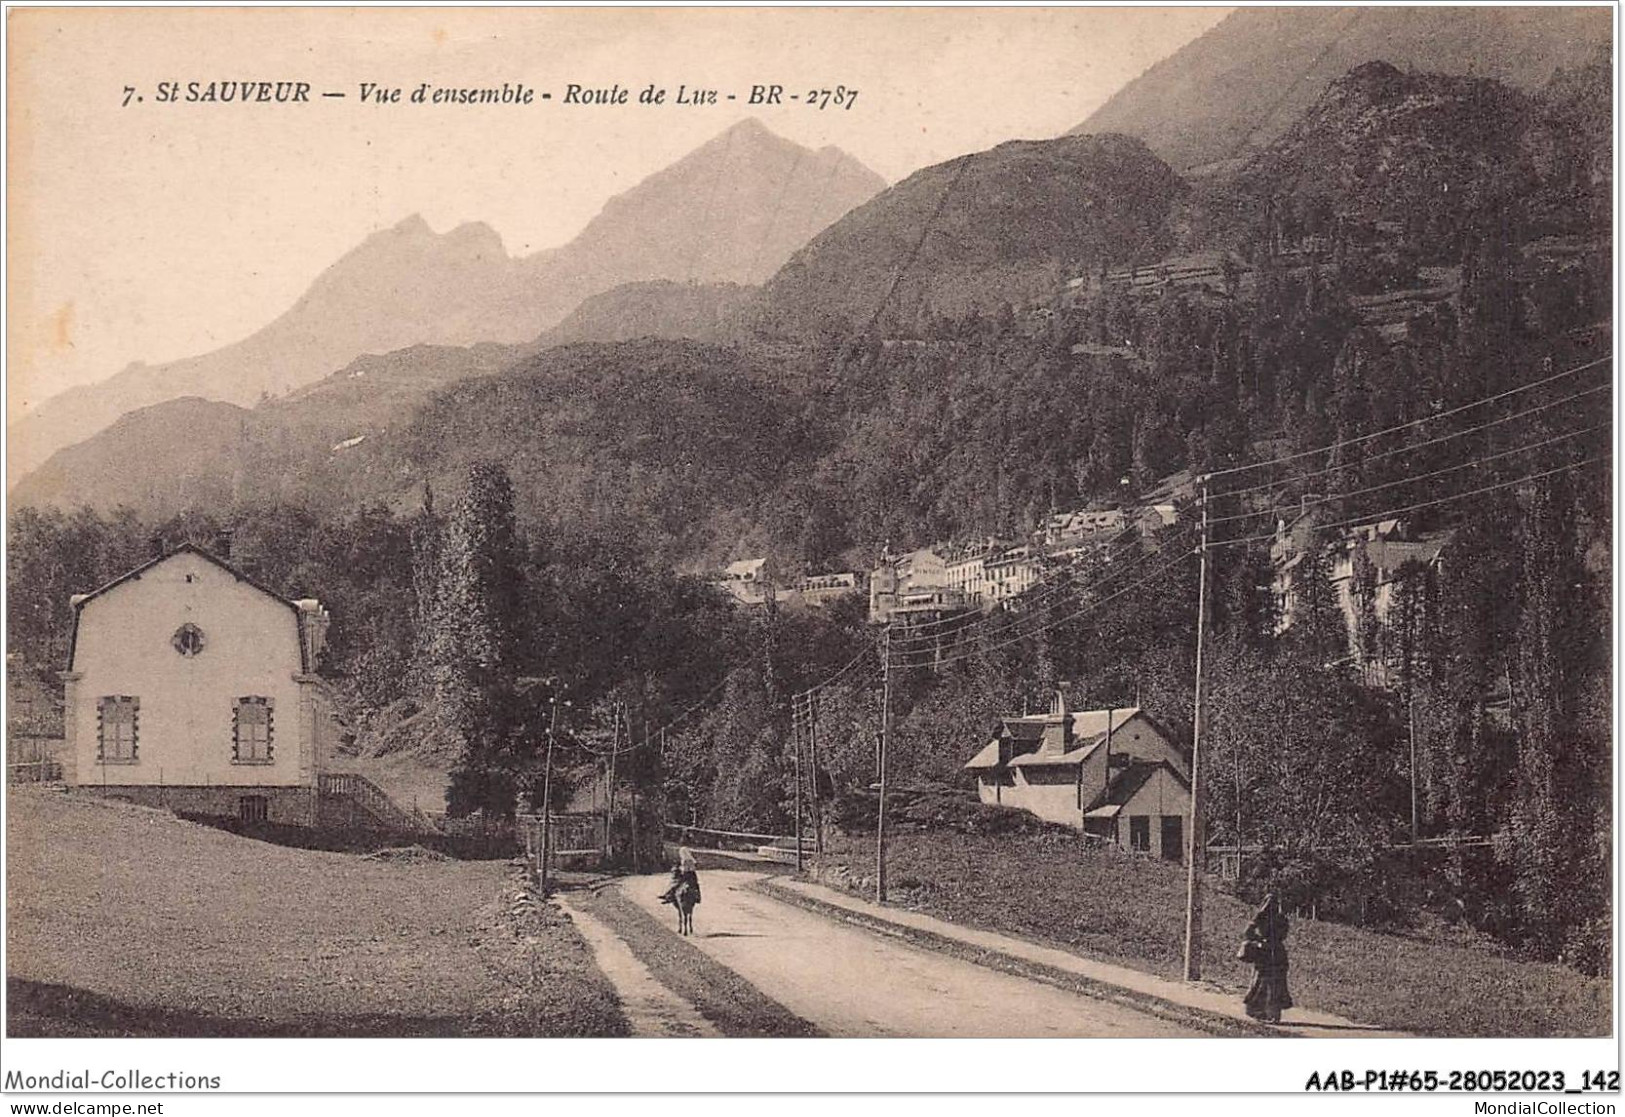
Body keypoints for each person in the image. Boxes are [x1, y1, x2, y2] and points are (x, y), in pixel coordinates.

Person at [1239, 892, 1293, 1023]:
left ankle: (1267, 1013)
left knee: (1266, 983)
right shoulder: (1280, 918)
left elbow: (1247, 932)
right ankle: (1268, 1013)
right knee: (1270, 983)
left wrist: (1259, 939)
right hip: (1275, 953)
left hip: (1266, 953)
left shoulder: (1263, 917)